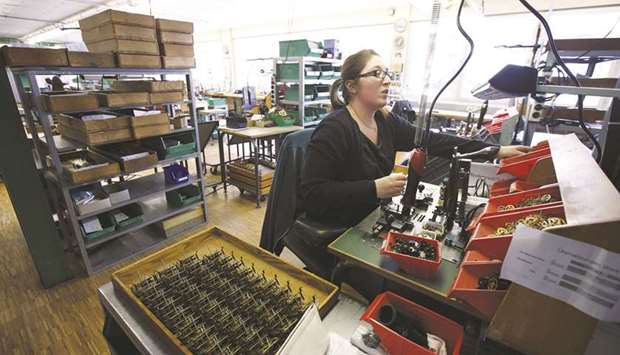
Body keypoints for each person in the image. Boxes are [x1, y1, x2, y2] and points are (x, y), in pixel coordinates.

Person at [300, 49, 530, 228]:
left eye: (387, 74)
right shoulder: (334, 128)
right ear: (351, 85)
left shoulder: (384, 120)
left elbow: (432, 140)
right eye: (376, 73)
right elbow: (312, 195)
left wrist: (495, 151)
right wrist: (373, 189)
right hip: (339, 222)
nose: (387, 80)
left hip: (369, 213)